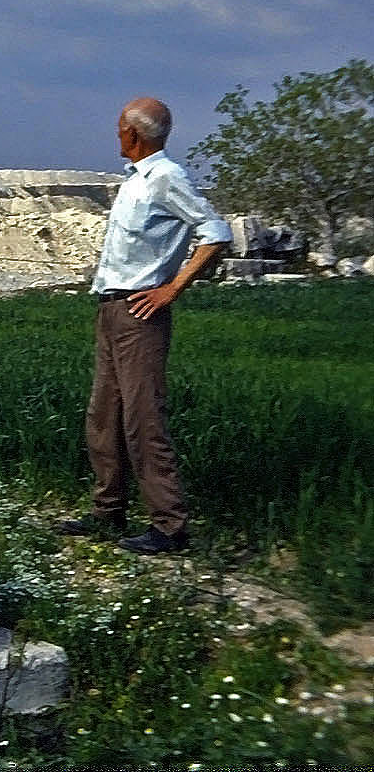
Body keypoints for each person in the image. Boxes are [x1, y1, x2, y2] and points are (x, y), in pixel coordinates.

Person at [56, 97, 232, 555]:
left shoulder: (166, 178)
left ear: (134, 134)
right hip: (111, 309)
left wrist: (171, 289)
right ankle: (106, 512)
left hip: (140, 314)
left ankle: (170, 527)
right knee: (103, 416)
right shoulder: (134, 181)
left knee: (143, 419)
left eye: (119, 129)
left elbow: (215, 231)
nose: (117, 136)